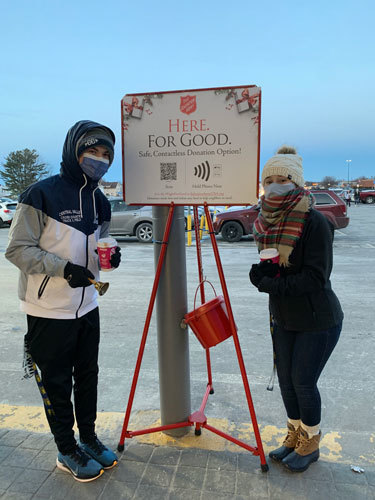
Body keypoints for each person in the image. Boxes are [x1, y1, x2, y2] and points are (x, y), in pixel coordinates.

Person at [6, 120, 121, 482]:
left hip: (88, 304)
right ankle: (65, 448)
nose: (99, 160)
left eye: (106, 154)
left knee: (88, 376)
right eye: (92, 151)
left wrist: (113, 255)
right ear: (74, 150)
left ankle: (88, 438)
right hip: (47, 307)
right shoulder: (40, 194)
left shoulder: (101, 201)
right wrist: (61, 268)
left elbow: (102, 242)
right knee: (57, 382)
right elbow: (17, 249)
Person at [249, 146, 343, 473]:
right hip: (284, 316)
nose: (274, 186)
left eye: (282, 179)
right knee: (287, 382)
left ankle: (311, 443)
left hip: (318, 318)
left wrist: (268, 284)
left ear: (296, 182)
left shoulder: (316, 221)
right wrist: (261, 273)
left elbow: (315, 278)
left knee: (303, 381)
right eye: (269, 180)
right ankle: (293, 436)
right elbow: (277, 269)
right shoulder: (267, 221)